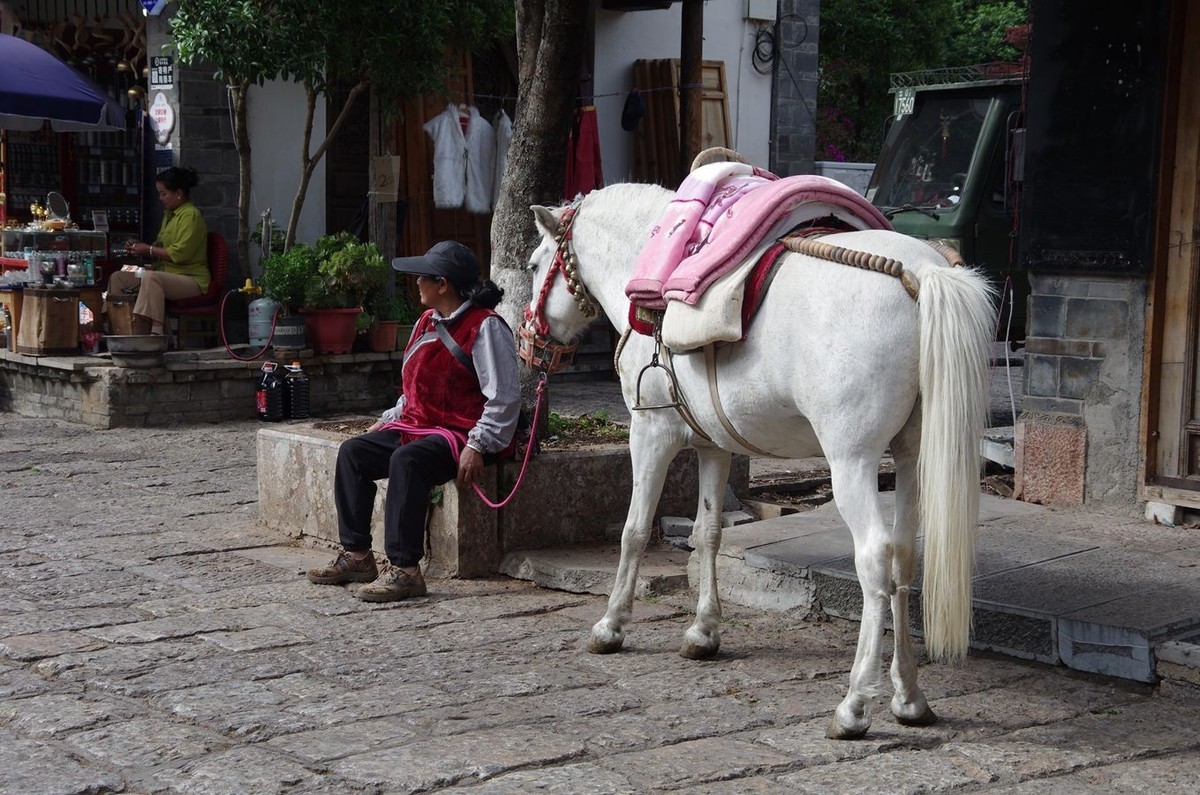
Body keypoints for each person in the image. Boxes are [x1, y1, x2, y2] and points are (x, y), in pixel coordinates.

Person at [307, 241, 520, 602]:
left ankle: (406, 570)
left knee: (406, 461)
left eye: (423, 277)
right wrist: (388, 420)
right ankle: (358, 556)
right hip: (419, 425)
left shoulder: (485, 328)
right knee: (354, 453)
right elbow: (414, 388)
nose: (416, 283)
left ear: (443, 284)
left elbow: (503, 397)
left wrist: (476, 445)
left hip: (461, 433)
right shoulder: (426, 322)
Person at [105, 166, 209, 336]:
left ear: (179, 194)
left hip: (190, 278)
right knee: (118, 278)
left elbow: (179, 254)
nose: (160, 198)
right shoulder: (169, 215)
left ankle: (156, 332)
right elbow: (160, 245)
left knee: (151, 278)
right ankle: (117, 325)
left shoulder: (191, 216)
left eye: (163, 194)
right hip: (165, 272)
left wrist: (149, 249)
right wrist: (140, 247)